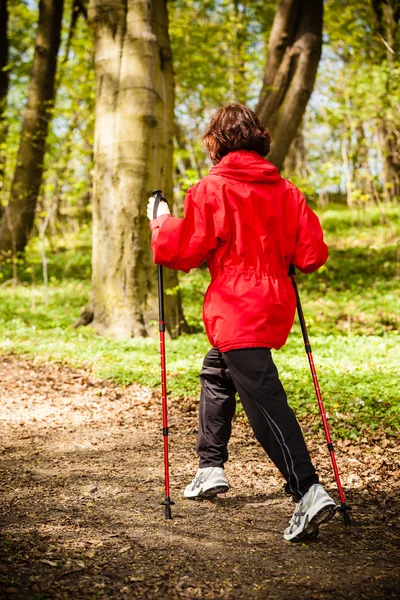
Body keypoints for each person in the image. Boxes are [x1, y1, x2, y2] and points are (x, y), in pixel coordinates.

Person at [147, 103, 336, 543]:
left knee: (265, 401)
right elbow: (311, 256)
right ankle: (210, 466)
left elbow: (183, 250)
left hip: (236, 304)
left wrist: (160, 222)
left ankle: (307, 491)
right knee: (216, 371)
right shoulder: (287, 190)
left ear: (216, 143)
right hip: (271, 302)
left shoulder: (212, 188)